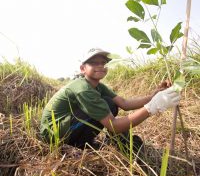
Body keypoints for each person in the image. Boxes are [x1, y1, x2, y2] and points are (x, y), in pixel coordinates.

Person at [40, 48, 180, 152]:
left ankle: (83, 142)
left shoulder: (98, 86)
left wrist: (154, 95)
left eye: (103, 63)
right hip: (54, 134)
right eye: (94, 63)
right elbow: (114, 126)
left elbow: (124, 104)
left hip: (67, 126)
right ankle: (76, 145)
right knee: (106, 105)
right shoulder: (83, 88)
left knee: (110, 103)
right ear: (83, 69)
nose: (100, 66)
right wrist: (152, 107)